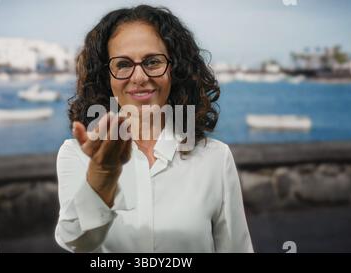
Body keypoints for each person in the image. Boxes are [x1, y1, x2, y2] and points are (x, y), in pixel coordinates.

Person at [55, 4, 253, 253]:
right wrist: (101, 176)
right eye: (123, 64)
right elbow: (77, 241)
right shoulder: (75, 154)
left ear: (175, 70)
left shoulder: (215, 158)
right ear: (107, 76)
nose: (139, 77)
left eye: (153, 61)